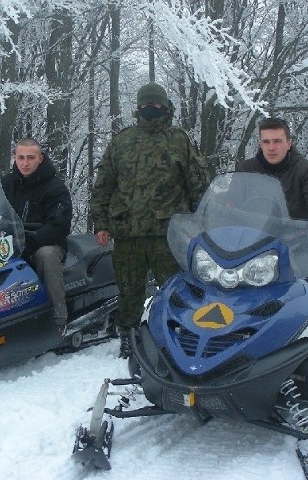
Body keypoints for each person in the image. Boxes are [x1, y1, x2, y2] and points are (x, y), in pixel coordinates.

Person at [90, 82, 212, 358]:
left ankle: (178, 332)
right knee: (129, 291)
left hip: (168, 234)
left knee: (176, 288)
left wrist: (200, 225)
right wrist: (101, 223)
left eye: (156, 104)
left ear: (166, 106)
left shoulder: (179, 140)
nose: (151, 109)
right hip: (127, 232)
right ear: (138, 107)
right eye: (146, 104)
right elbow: (104, 185)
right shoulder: (121, 141)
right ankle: (128, 337)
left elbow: (198, 185)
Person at [1, 138, 73, 333]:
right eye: (21, 157)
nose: (25, 163)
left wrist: (32, 241)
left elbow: (59, 226)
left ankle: (58, 319)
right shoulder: (7, 184)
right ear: (15, 158)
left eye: (30, 158)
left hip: (44, 243)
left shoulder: (55, 188)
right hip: (11, 242)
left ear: (40, 159)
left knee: (46, 256)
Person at [235, 117, 308, 223]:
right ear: (260, 145)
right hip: (251, 235)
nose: (271, 148)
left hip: (294, 236)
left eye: (277, 141)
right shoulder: (245, 170)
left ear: (288, 144)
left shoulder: (306, 171)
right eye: (266, 142)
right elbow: (231, 201)